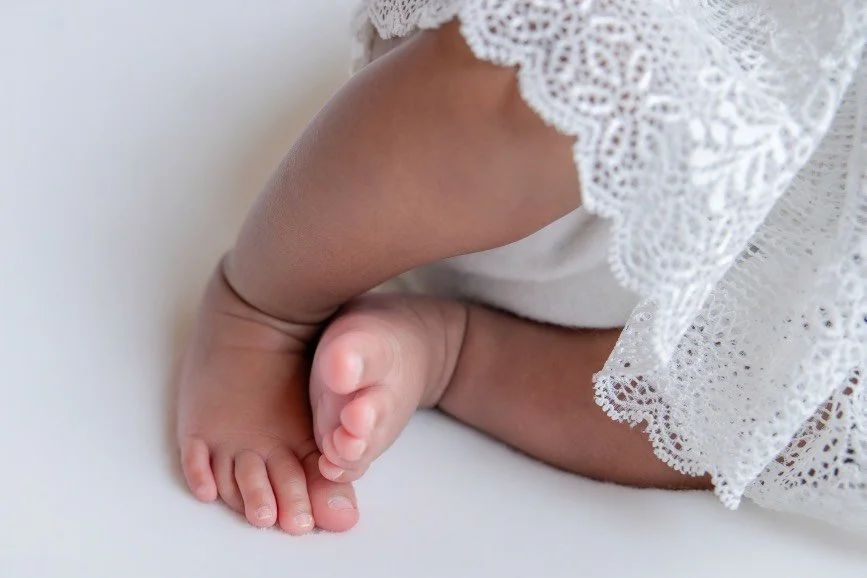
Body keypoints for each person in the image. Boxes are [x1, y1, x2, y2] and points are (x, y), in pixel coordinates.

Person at [176, 1, 867, 535]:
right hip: (622, 104)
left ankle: (460, 354)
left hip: (755, 307)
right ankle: (261, 305)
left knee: (827, 419)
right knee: (594, 58)